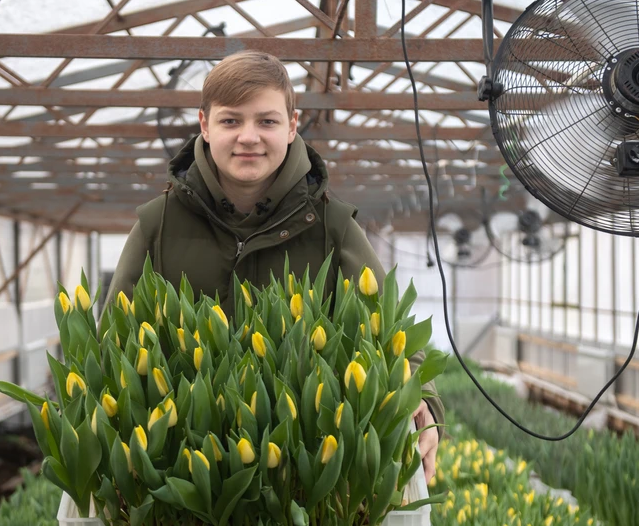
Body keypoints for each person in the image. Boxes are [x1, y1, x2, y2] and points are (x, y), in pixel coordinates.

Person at [104, 50, 443, 483]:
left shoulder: (331, 226)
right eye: (231, 121)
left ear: (291, 126)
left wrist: (425, 405)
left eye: (266, 121)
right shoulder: (159, 224)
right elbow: (111, 339)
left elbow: (394, 337)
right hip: (182, 470)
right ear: (204, 126)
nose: (249, 137)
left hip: (309, 470)